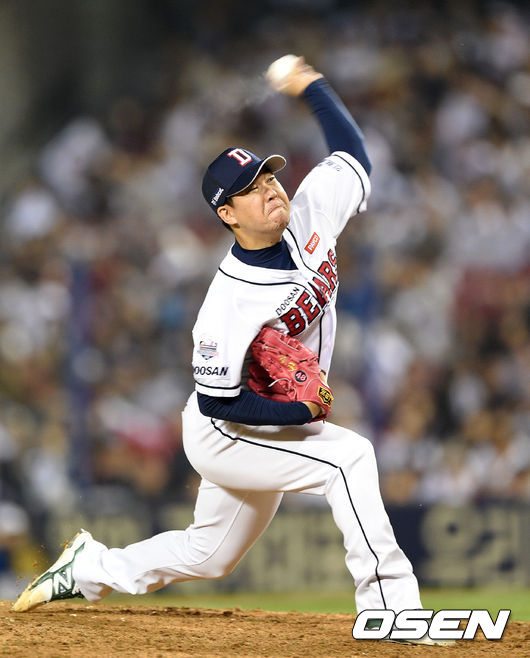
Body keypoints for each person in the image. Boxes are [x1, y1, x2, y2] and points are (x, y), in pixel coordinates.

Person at [12, 56, 446, 646]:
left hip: (270, 420)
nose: (269, 190)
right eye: (250, 190)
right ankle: (393, 610)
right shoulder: (228, 302)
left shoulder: (313, 210)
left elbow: (353, 155)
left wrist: (312, 87)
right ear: (227, 214)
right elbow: (220, 401)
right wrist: (301, 411)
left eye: (268, 178)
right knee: (349, 459)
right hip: (227, 431)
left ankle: (88, 569)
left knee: (210, 554)